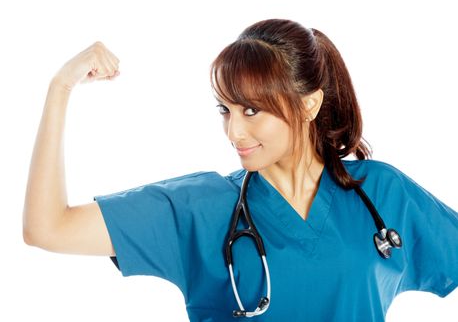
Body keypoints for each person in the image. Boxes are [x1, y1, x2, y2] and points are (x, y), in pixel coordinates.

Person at [23, 19, 458, 321]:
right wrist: (59, 88)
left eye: (251, 110)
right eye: (225, 110)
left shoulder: (381, 193)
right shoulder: (202, 209)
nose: (234, 131)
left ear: (308, 104)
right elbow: (48, 228)